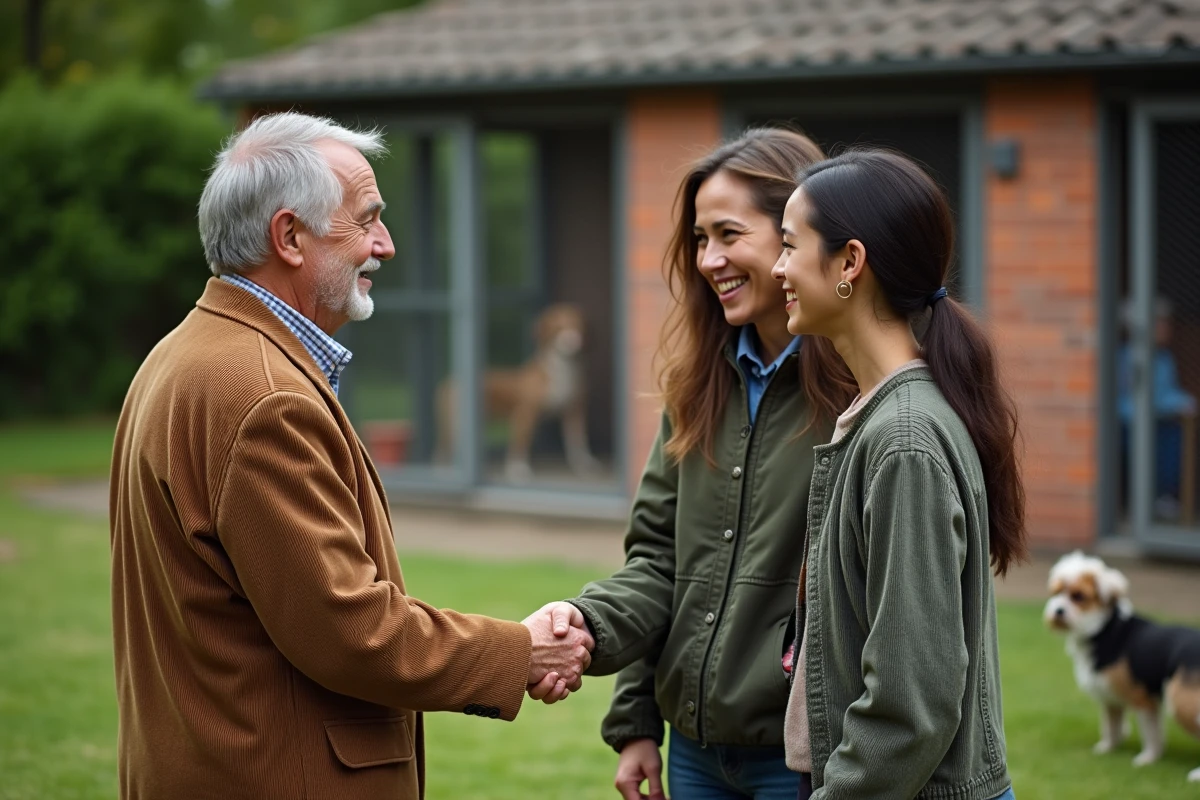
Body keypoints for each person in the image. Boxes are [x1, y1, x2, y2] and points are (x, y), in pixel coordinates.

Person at [108, 112, 592, 800]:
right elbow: (349, 631)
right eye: (366, 220)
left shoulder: (180, 356)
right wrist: (521, 650)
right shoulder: (264, 396)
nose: (386, 246)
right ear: (289, 237)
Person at [539, 128, 856, 800]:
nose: (709, 259)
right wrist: (631, 716)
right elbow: (659, 562)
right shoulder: (698, 389)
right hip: (694, 755)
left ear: (797, 238)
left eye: (729, 234)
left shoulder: (861, 398)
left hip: (802, 759)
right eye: (699, 239)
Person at [771, 149, 1025, 800]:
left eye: (790, 246)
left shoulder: (902, 439)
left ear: (850, 263)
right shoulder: (880, 414)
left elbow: (913, 706)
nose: (778, 269)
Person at [1116, 297, 1197, 519]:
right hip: (1128, 423)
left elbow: (1167, 391)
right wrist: (1174, 404)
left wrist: (1186, 401)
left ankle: (1164, 496)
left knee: (1175, 436)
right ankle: (1143, 499)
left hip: (1156, 421)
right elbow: (1140, 398)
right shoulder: (1126, 357)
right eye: (1161, 323)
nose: (1167, 329)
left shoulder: (1164, 358)